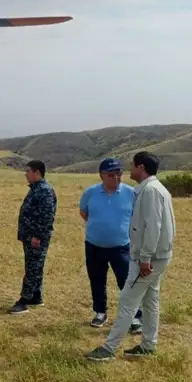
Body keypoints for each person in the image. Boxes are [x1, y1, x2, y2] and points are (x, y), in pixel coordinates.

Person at [85, 151, 176, 361]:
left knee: (127, 300)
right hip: (156, 257)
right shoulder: (152, 188)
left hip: (149, 259)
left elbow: (154, 226)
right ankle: (148, 346)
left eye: (132, 166)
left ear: (141, 168)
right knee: (151, 301)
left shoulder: (151, 191)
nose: (129, 170)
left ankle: (109, 349)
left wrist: (145, 258)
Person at [79, 158, 143, 332]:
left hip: (121, 246)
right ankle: (100, 313)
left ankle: (135, 316)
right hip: (94, 245)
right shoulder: (90, 193)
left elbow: (136, 218)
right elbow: (84, 212)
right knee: (97, 279)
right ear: (101, 175)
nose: (116, 178)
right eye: (111, 175)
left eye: (119, 174)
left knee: (127, 282)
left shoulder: (131, 193)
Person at [8, 160, 57, 314]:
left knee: (32, 267)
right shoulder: (36, 189)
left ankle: (24, 301)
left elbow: (47, 216)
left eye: (28, 171)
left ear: (36, 173)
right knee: (35, 266)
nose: (25, 174)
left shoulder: (44, 190)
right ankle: (36, 295)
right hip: (30, 236)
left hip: (36, 237)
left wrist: (38, 236)